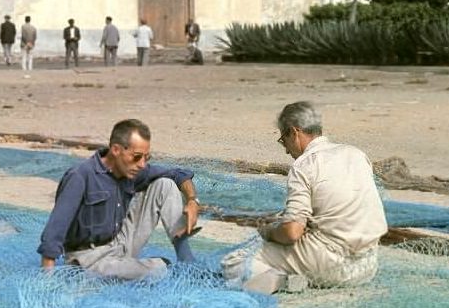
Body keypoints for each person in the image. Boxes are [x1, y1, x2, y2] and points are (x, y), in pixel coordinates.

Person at [221, 101, 388, 294]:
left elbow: (292, 232)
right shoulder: (356, 154)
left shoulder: (304, 165)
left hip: (329, 265)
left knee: (235, 263)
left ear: (294, 132)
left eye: (283, 140)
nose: (285, 149)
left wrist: (269, 232)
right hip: (367, 265)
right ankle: (292, 275)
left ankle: (283, 280)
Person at [38, 118, 201, 280]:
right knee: (159, 269)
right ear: (116, 150)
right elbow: (54, 232)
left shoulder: (131, 169)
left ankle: (187, 262)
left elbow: (179, 174)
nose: (142, 164)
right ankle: (162, 268)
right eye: (137, 157)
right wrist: (48, 283)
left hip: (121, 242)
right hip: (89, 259)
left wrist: (192, 200)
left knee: (165, 184)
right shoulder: (80, 176)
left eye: (146, 158)